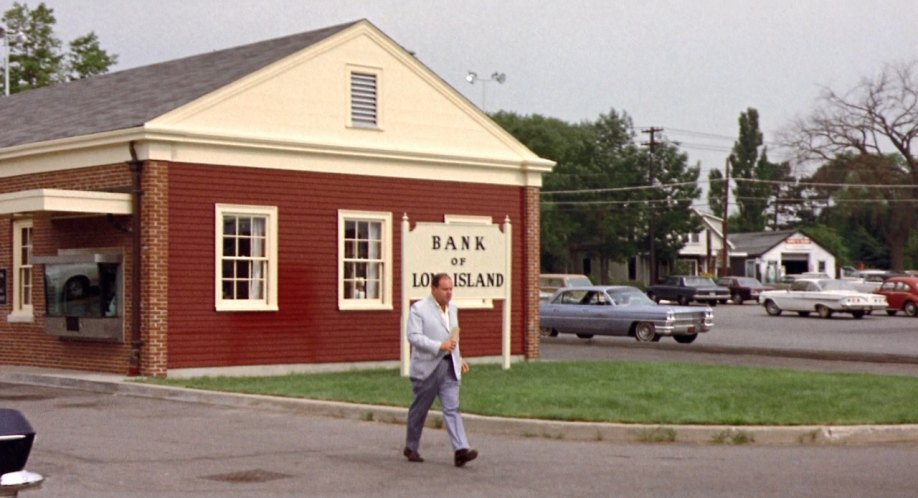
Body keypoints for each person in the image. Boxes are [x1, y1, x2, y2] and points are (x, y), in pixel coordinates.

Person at [403, 273, 478, 467]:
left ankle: (461, 449)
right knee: (420, 409)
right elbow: (414, 337)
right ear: (434, 289)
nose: (449, 293)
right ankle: (411, 446)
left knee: (452, 408)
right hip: (427, 367)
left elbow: (454, 337)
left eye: (451, 289)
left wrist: (459, 358)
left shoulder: (453, 309)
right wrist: (439, 346)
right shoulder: (419, 309)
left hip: (448, 366)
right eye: (445, 289)